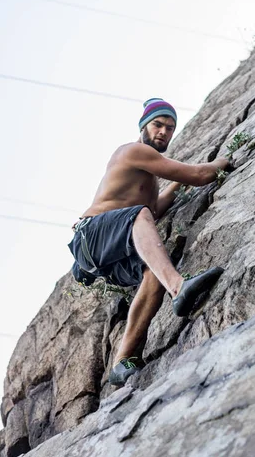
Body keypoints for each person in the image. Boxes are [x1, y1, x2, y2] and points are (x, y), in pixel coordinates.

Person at [68, 98, 231, 386]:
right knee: (139, 216)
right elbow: (198, 175)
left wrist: (176, 184)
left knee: (152, 275)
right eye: (158, 125)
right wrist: (222, 161)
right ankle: (179, 287)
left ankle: (123, 360)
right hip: (91, 235)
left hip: (108, 249)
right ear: (143, 126)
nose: (164, 132)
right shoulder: (132, 151)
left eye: (170, 128)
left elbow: (154, 209)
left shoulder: (147, 176)